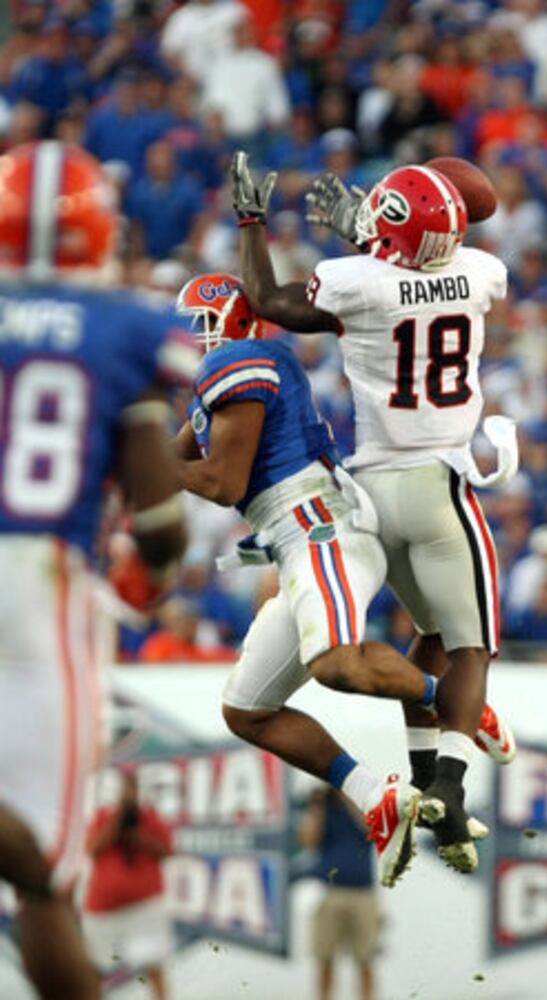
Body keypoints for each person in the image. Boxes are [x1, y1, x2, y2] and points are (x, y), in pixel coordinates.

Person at [229, 152, 518, 875]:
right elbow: (422, 268)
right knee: (469, 647)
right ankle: (450, 787)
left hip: (368, 492)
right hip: (438, 485)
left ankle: (423, 784)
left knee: (428, 637)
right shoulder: (481, 272)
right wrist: (372, 231)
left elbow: (269, 300)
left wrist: (252, 222)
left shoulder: (353, 281)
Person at [173, 271, 499, 885]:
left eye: (202, 323)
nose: (194, 336)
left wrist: (146, 471)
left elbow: (222, 482)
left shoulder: (242, 359)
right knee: (247, 711)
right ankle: (376, 796)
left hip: (318, 526)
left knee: (335, 664)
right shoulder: (221, 377)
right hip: (296, 540)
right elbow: (176, 457)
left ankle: (457, 703)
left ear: (235, 319)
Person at [0, 141, 196, 999]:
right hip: (39, 582)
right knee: (44, 868)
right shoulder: (128, 326)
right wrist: (151, 575)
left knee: (36, 865)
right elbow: (157, 524)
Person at [82, 769, 174, 1000]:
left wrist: (139, 837)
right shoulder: (104, 816)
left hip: (144, 908)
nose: (128, 793)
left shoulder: (149, 817)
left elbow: (167, 851)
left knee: (153, 964)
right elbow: (92, 849)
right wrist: (116, 823)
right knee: (94, 969)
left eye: (132, 787)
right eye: (125, 788)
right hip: (102, 910)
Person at [299, 788, 380, 1000]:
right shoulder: (323, 806)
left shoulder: (364, 803)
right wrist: (317, 807)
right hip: (329, 893)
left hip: (363, 893)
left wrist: (350, 796)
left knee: (366, 958)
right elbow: (309, 841)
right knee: (325, 958)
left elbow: (373, 828)